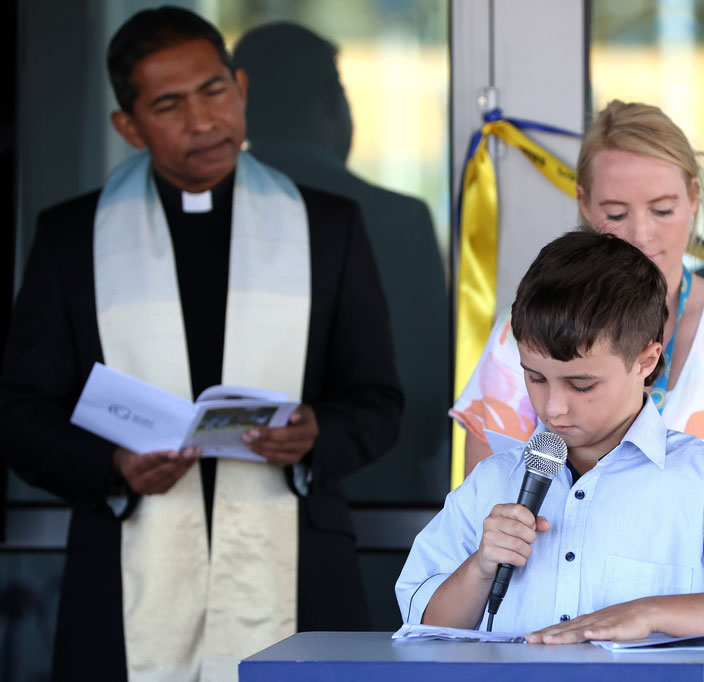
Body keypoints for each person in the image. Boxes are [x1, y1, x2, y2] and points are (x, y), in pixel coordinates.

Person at [0, 7, 402, 682]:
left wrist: (315, 434)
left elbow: (378, 401)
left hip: (297, 566)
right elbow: (21, 416)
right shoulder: (71, 238)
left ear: (241, 88)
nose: (203, 121)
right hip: (122, 576)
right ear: (128, 127)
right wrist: (112, 464)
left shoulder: (328, 227)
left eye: (214, 90)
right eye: (169, 104)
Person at [397, 232, 704, 679]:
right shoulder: (491, 484)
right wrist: (481, 567)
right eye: (535, 378)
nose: (552, 407)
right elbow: (420, 633)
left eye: (581, 385)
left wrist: (652, 612)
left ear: (646, 360)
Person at [451, 100, 704, 527]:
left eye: (662, 210)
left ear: (693, 198)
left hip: (703, 593)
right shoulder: (521, 328)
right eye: (616, 214)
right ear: (586, 206)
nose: (641, 235)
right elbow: (484, 501)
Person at [233, 23, 450, 498]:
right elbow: (429, 401)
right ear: (333, 105)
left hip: (224, 486)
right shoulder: (398, 219)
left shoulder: (209, 210)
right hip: (383, 500)